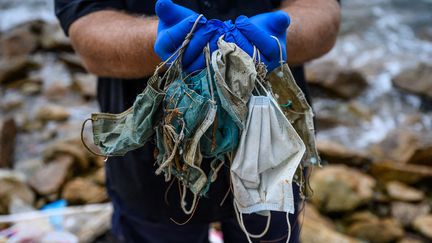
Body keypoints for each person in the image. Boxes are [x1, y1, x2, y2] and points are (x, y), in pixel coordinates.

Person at [54, 0, 340, 242]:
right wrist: (152, 41)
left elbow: (322, 9)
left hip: (272, 146)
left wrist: (287, 35)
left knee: (272, 231)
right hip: (152, 160)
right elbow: (85, 23)